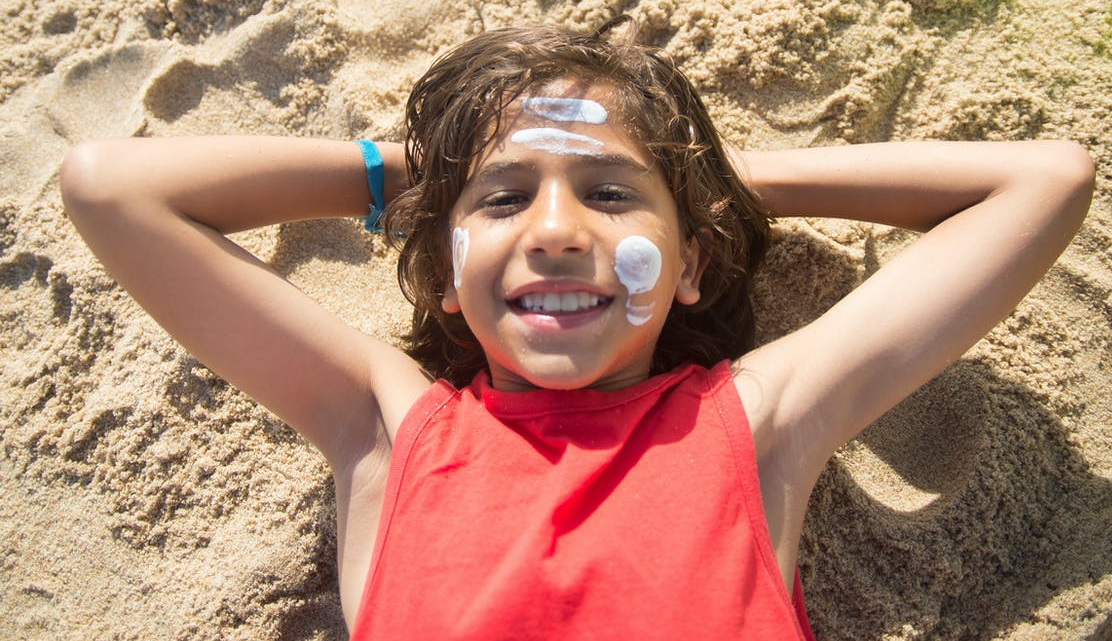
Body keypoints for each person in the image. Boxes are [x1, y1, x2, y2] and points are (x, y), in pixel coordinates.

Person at [59, 19, 1093, 641]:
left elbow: (1042, 180)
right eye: (503, 202)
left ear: (689, 262)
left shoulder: (755, 422)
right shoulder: (388, 429)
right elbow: (111, 189)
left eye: (606, 194)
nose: (555, 230)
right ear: (443, 276)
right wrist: (423, 169)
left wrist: (706, 182)